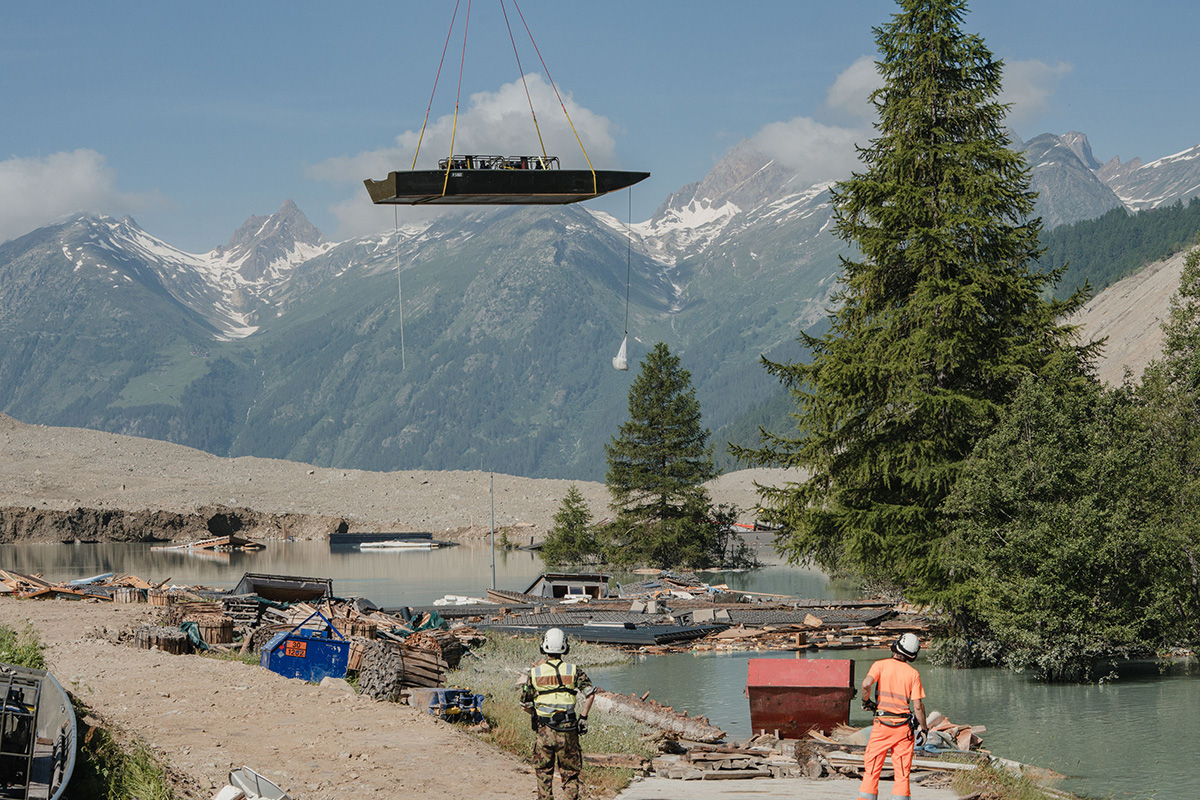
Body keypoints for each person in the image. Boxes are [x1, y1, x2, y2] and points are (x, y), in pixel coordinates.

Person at [520, 628, 596, 800]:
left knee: (544, 774)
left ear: (544, 647)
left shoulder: (535, 673)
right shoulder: (574, 670)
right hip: (569, 730)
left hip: (544, 731)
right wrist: (583, 717)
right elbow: (590, 694)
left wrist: (536, 715)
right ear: (565, 647)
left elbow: (524, 704)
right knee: (570, 775)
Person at [858, 633, 928, 800]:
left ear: (896, 646)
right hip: (903, 729)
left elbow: (866, 684)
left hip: (882, 726)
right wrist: (924, 729)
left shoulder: (879, 665)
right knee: (902, 773)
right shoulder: (913, 674)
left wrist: (866, 701)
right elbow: (918, 706)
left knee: (872, 770)